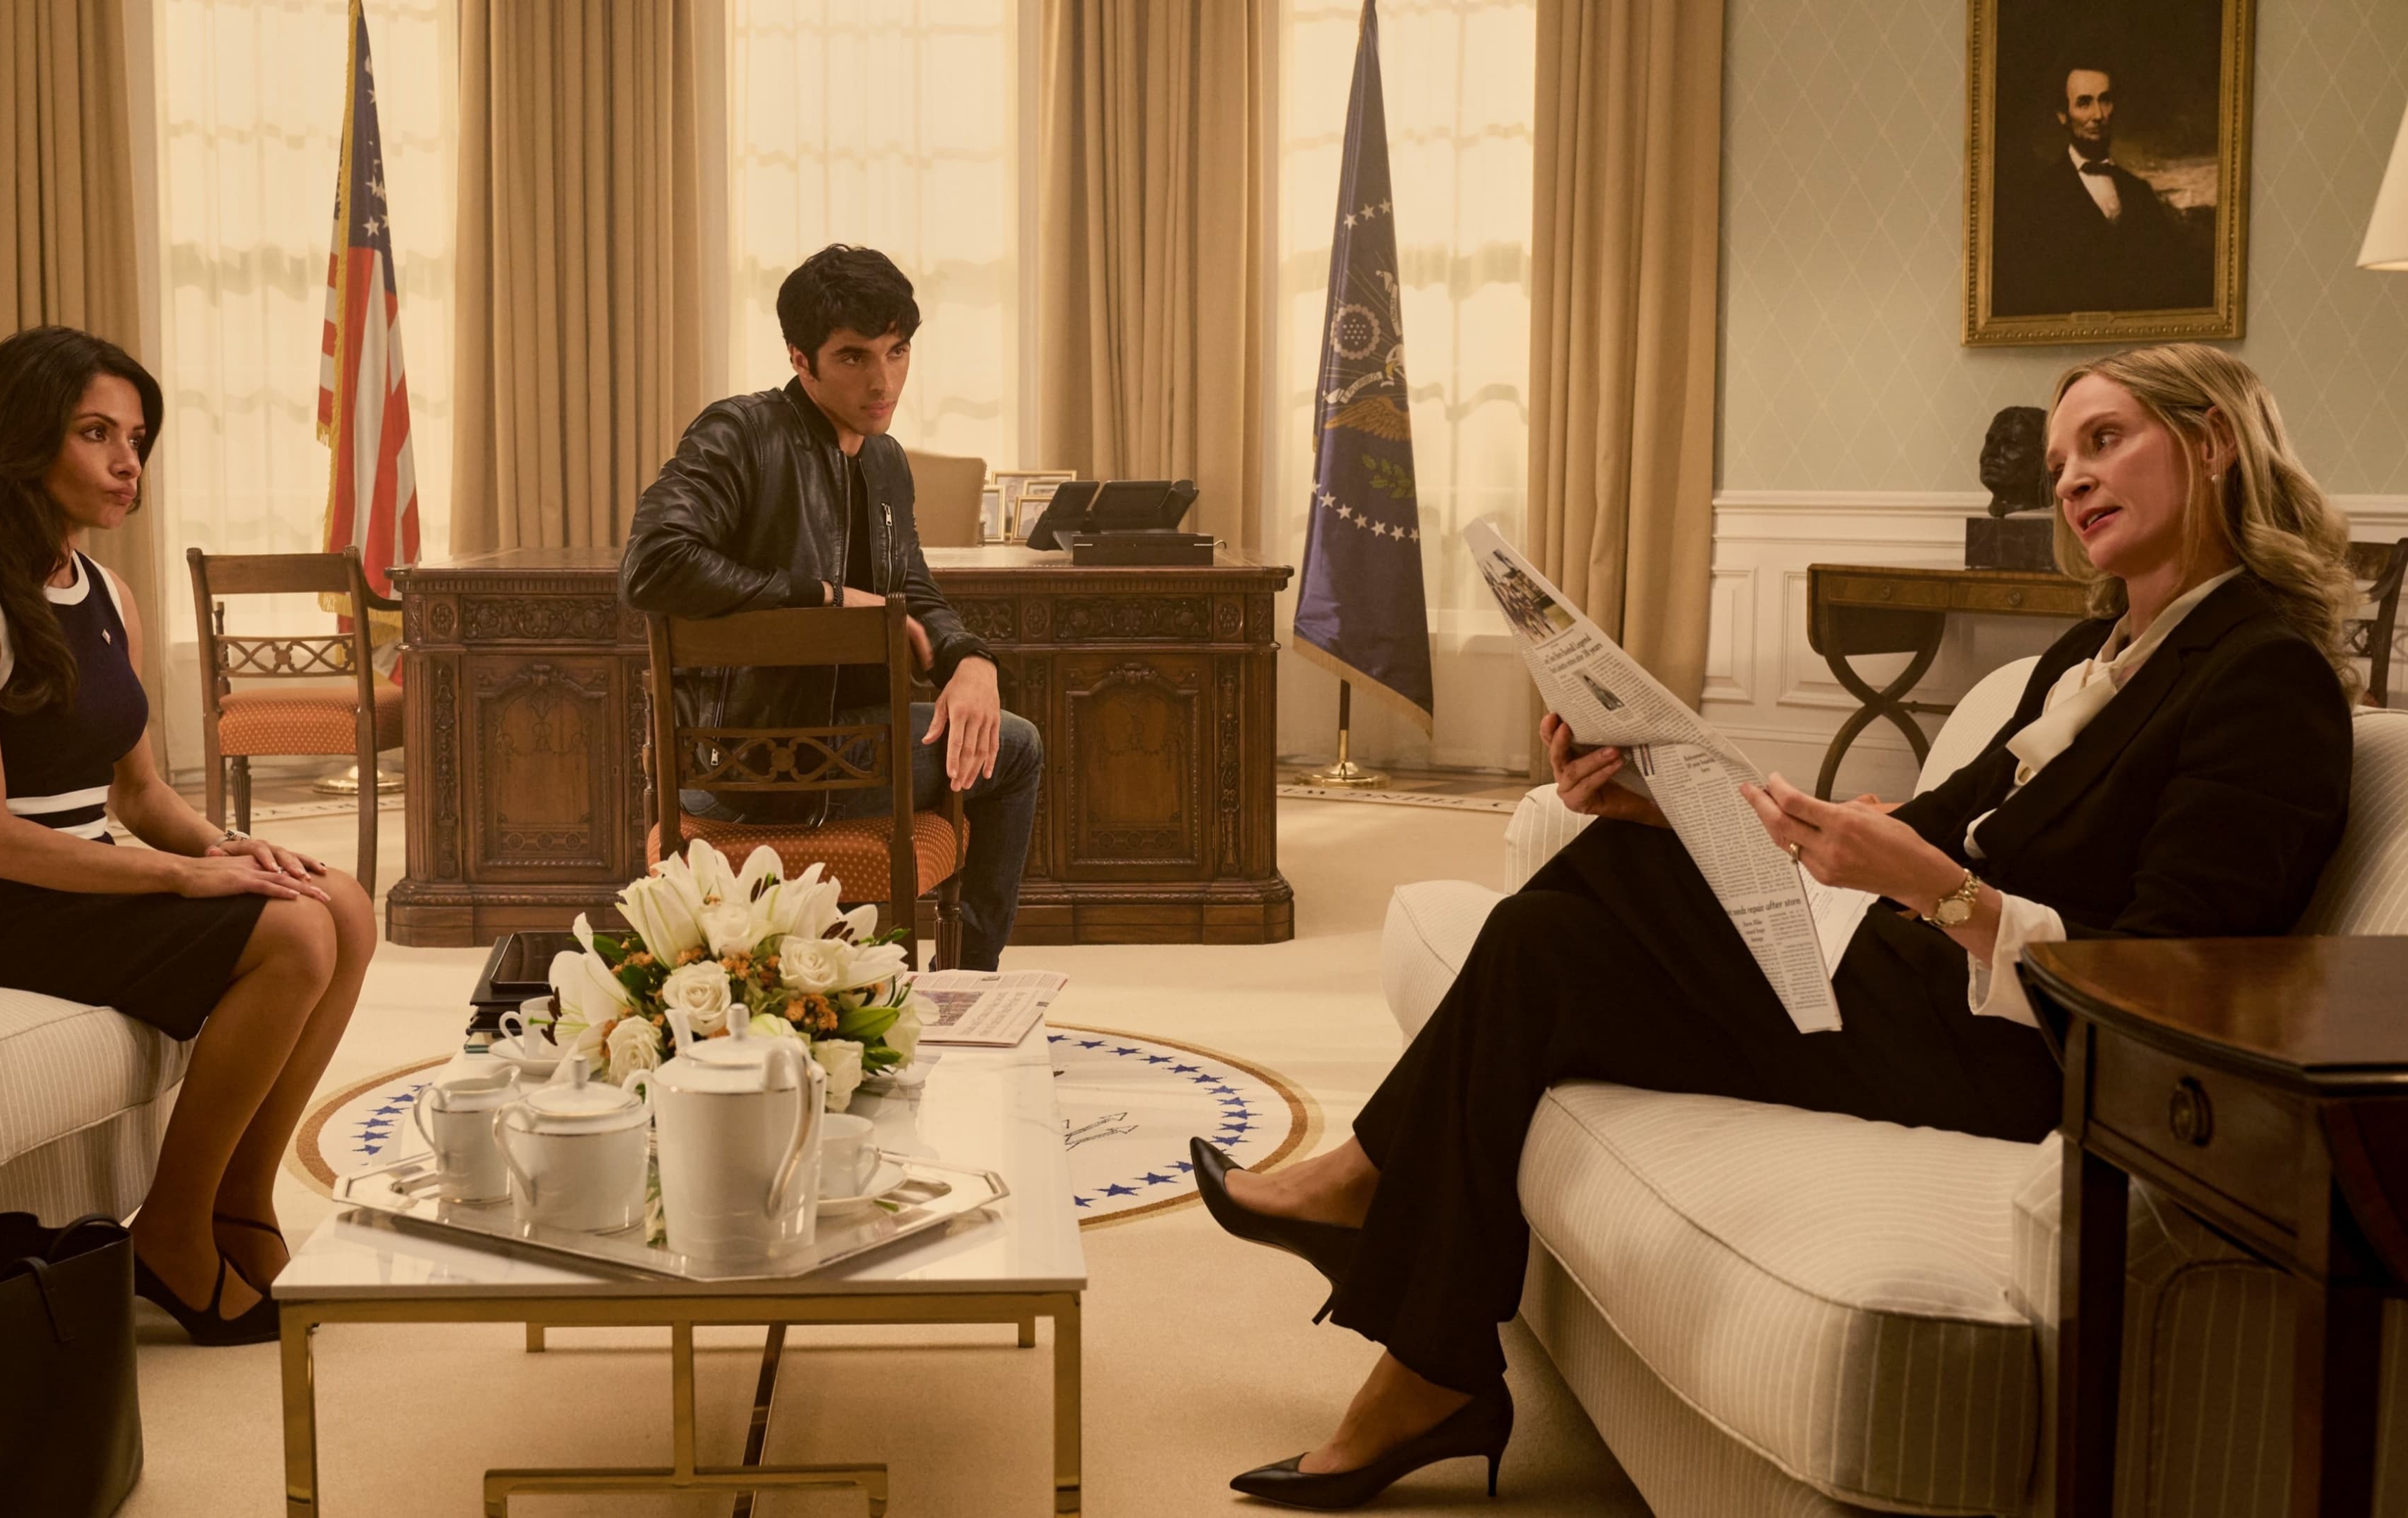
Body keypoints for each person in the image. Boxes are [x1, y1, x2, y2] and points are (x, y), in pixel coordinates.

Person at [1192, 342, 2357, 1507]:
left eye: (2103, 441)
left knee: (1607, 890)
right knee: (1539, 946)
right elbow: (1928, 824)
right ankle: (1433, 1365)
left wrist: (1946, 896)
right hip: (1913, 980)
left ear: (2212, 441)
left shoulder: (2265, 675)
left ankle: (1369, 1193)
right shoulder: (2085, 656)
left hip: (2018, 1055)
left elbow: (2168, 980)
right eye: (2061, 462)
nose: (2071, 481)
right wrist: (1657, 796)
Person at [0, 325, 376, 1347]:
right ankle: (169, 1233)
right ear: (23, 441)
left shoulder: (104, 591)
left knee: (340, 905)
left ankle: (238, 1206)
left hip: (74, 888)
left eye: (137, 439)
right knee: (294, 937)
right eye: (96, 434)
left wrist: (227, 848)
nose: (128, 464)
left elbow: (142, 791)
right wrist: (178, 881)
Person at [620, 244, 1042, 968]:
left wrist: (971, 662)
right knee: (1018, 748)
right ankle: (968, 983)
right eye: (853, 356)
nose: (884, 380)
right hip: (744, 766)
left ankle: (963, 989)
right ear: (800, 359)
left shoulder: (885, 460)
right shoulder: (739, 433)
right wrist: (826, 597)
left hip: (850, 749)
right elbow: (653, 562)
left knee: (996, 729)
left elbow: (916, 591)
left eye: (897, 351)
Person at [1993, 57, 2209, 316]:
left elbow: (2170, 276)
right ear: (2062, 115)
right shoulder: (2038, 197)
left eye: (2105, 100)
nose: (2098, 115)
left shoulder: (2139, 192)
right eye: (2084, 103)